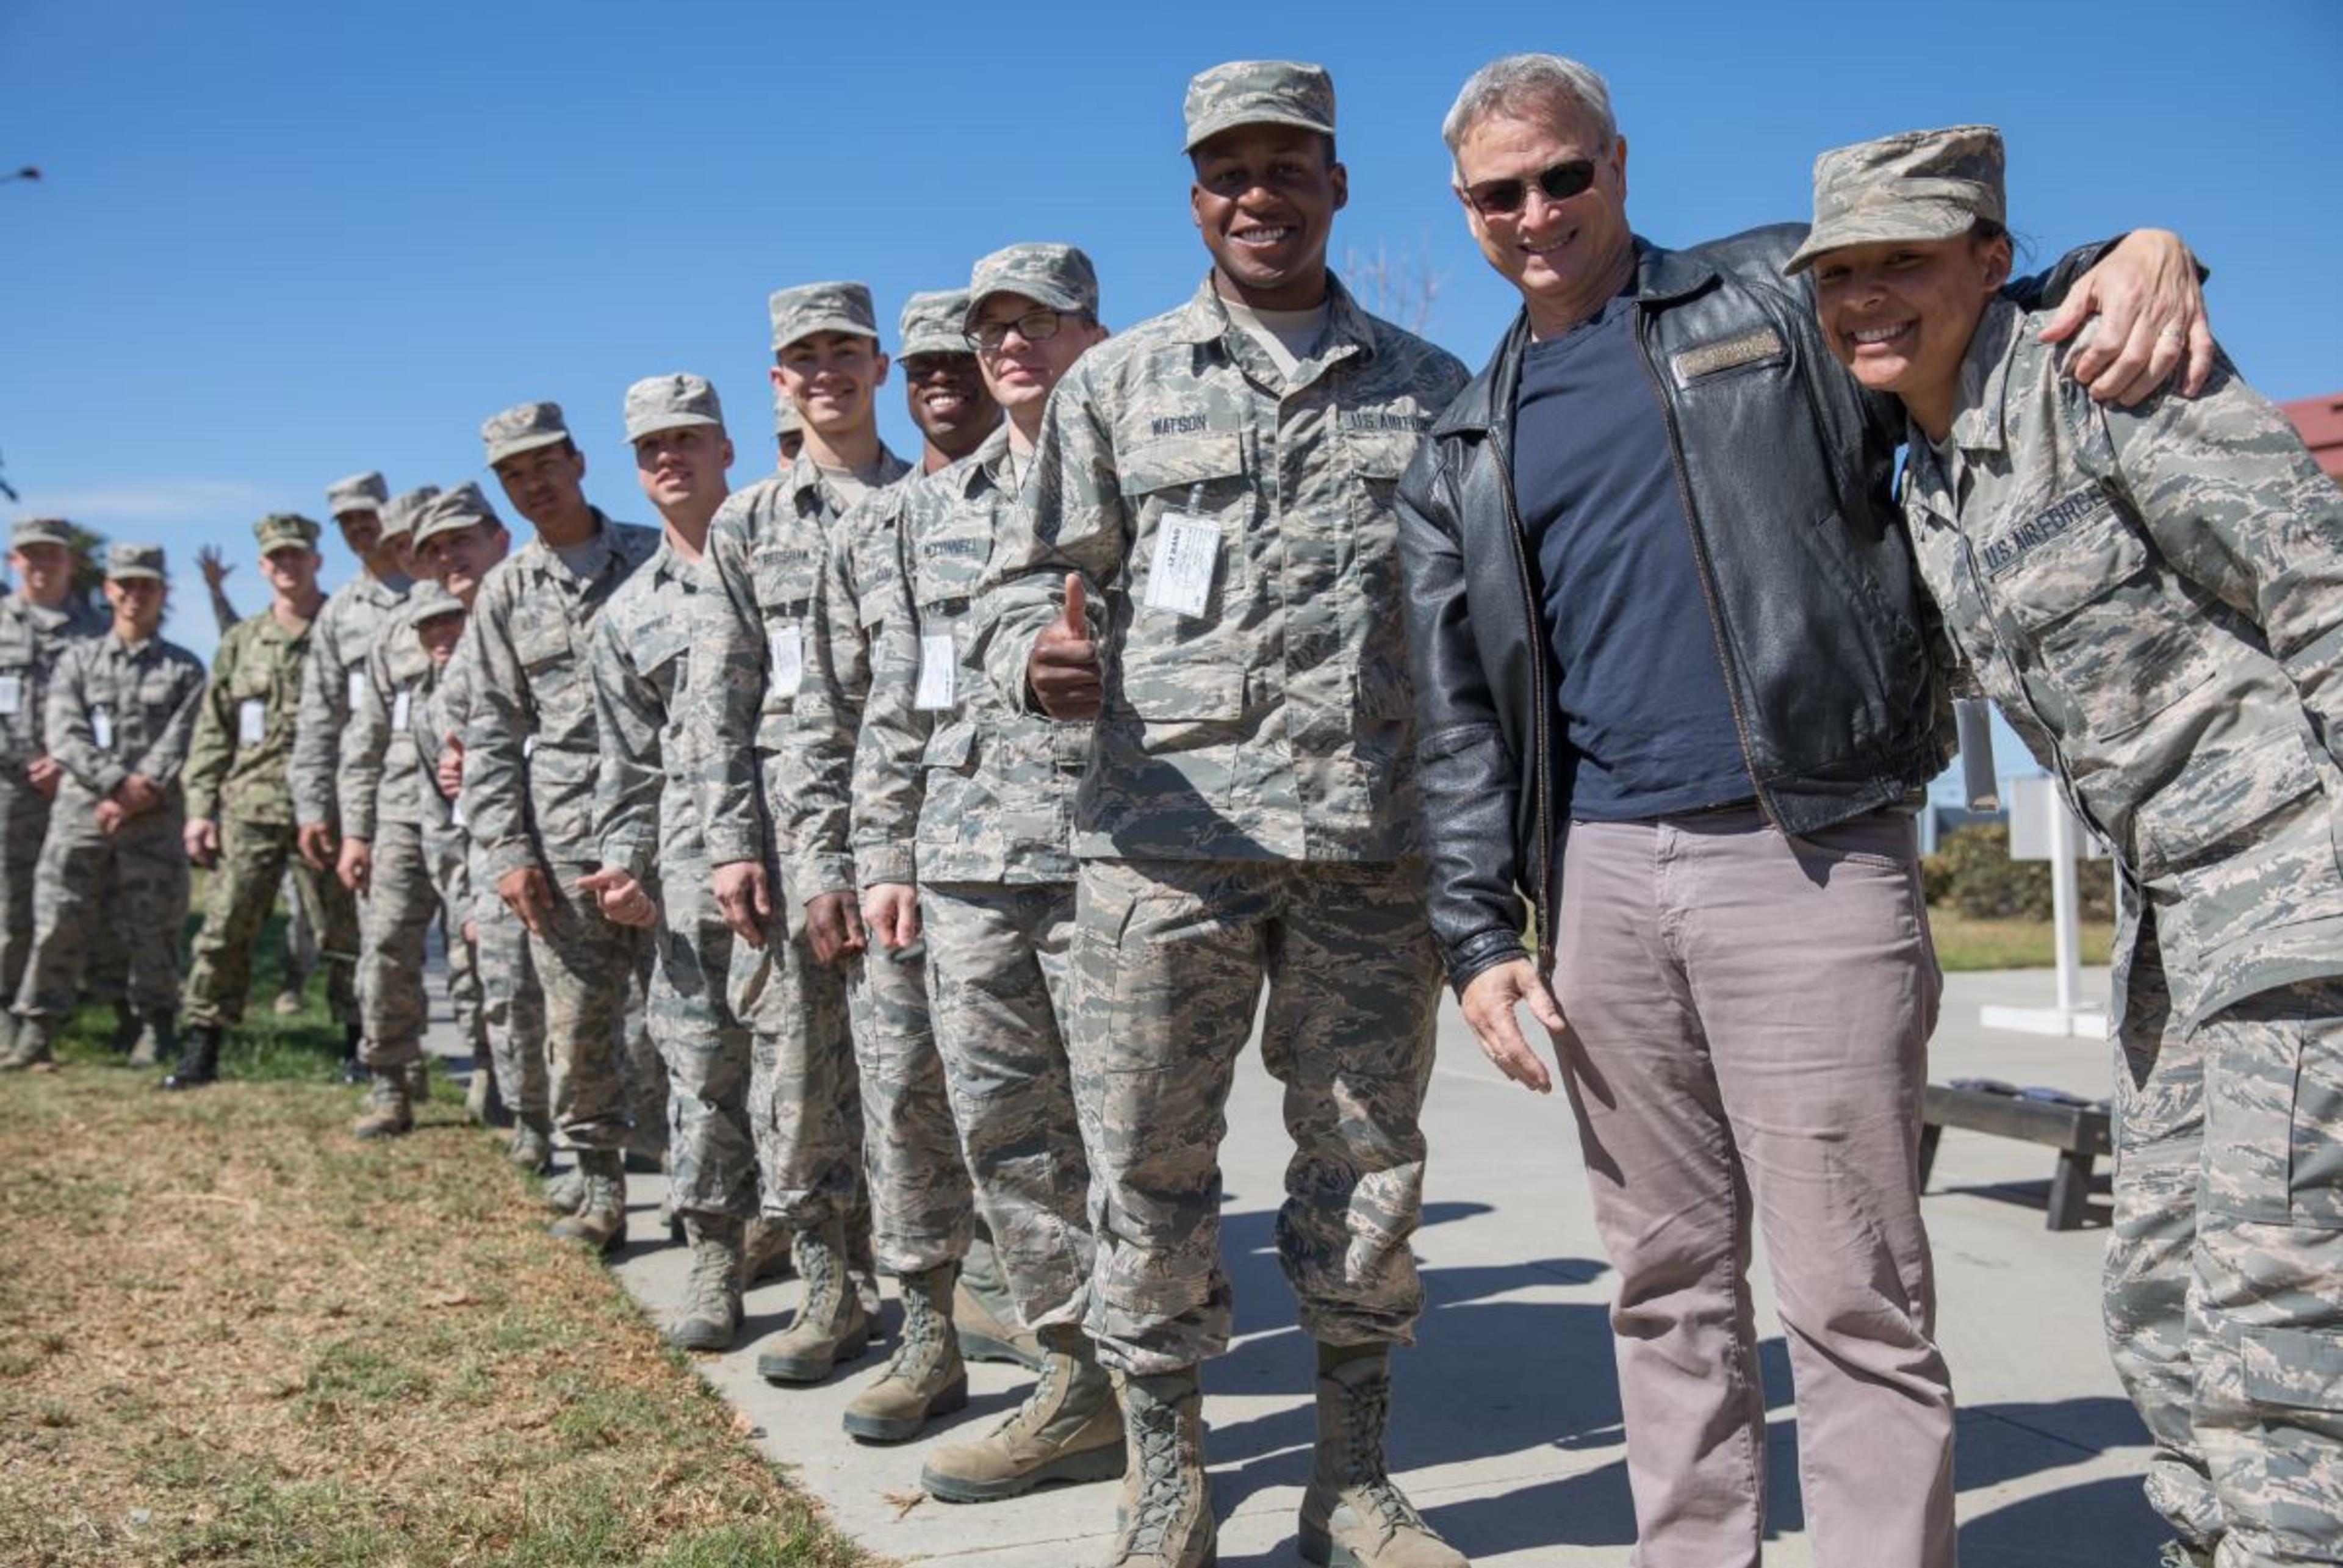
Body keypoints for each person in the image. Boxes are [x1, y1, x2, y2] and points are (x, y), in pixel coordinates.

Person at [1395, 52, 2212, 1568]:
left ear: (1617, 165)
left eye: (1560, 176)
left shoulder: (1772, 295)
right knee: (1662, 1283)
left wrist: (2131, 254)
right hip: (1596, 892)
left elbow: (1981, 304)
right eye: (1499, 194)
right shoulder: (1461, 438)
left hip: (1811, 853)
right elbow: (1451, 718)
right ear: (1461, 210)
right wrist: (1474, 934)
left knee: (1850, 1291)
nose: (1535, 212)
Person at [1788, 124, 2343, 1568]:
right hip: (2173, 922)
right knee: (2157, 1305)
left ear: (1989, 263)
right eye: (1837, 271)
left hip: (2293, 896)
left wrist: (2146, 246)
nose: (1862, 296)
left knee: (2278, 1331)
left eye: (1899, 262)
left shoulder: (2108, 385)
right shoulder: (1923, 479)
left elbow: (2319, 595)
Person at [971, 63, 1469, 1568]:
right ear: (1194, 199)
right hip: (1159, 848)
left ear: (1334, 184)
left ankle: (1353, 1481)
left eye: (1285, 166)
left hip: (1367, 854)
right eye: (1225, 173)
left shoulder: (1433, 390)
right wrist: (1031, 659)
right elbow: (1017, 587)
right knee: (1146, 1165)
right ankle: (1163, 1476)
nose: (1256, 194)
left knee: (1368, 1164)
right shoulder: (1115, 387)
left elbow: (1480, 628)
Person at [854, 244, 1126, 1491]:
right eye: (994, 328)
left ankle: (1150, 1375)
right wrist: (886, 850)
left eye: (1041, 321)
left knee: (1132, 1135)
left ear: (1090, 329)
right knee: (1007, 1136)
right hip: (967, 861)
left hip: (1115, 852)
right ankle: (1072, 1383)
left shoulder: (1147, 467)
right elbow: (895, 703)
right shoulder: (928, 511)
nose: (1014, 345)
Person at [779, 286, 1012, 1440]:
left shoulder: (1076, 488)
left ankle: (1056, 1336)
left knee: (1067, 1126)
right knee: (907, 1103)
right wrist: (847, 857)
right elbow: (842, 711)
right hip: (916, 868)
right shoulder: (881, 531)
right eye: (923, 369)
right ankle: (926, 1333)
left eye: (958, 363)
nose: (941, 385)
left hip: (1066, 870)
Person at [690, 281, 908, 1387]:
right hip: (785, 840)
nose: (825, 373)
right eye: (802, 360)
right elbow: (715, 703)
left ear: (880, 368)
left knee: (914, 1069)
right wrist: (731, 843)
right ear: (779, 384)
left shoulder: (924, 499)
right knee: (803, 1067)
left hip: (908, 832)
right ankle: (829, 1286)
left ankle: (938, 1291)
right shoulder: (748, 526)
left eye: (844, 354)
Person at [578, 372, 755, 1345]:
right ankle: (715, 1261)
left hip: (800, 858)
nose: (670, 459)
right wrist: (624, 865)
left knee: (825, 1077)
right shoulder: (626, 615)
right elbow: (627, 761)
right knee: (701, 1075)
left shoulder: (782, 558)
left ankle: (839, 1260)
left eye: (688, 440)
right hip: (689, 880)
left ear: (728, 449)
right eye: (651, 449)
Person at [462, 401, 660, 1253]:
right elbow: (491, 729)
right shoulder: (505, 591)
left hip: (658, 831)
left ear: (579, 462)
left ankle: (702, 1183)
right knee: (578, 1025)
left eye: (543, 463)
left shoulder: (654, 556)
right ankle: (600, 1186)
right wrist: (506, 850)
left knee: (681, 1024)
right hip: (561, 841)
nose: (531, 484)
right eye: (512, 475)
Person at [7, 545, 203, 1073]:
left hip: (153, 818)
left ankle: (155, 1027)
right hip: (82, 812)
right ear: (109, 591)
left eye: (147, 586)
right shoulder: (78, 660)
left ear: (162, 594)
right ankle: (37, 1028)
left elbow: (184, 736)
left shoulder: (184, 667)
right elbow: (64, 734)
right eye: (125, 586)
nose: (135, 596)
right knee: (58, 920)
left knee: (153, 926)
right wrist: (115, 785)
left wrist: (140, 792)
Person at [171, 515, 335, 1090]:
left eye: (297, 555)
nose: (287, 566)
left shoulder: (341, 629)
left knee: (345, 934)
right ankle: (202, 1044)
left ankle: (363, 1045)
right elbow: (212, 731)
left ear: (317, 560)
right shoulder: (242, 642)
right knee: (225, 926)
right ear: (264, 566)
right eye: (276, 558)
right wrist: (198, 810)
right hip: (251, 810)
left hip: (329, 811)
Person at [411, 483, 546, 1169]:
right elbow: (444, 804)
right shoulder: (446, 666)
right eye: (436, 551)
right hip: (495, 854)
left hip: (568, 836)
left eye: (461, 539)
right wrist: (463, 890)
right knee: (509, 1000)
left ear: (500, 536)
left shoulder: (545, 605)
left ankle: (623, 1141)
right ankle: (533, 1127)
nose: (450, 557)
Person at [339, 484, 466, 1138]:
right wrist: (355, 831)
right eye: (411, 546)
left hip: (479, 819)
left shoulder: (491, 609)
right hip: (398, 815)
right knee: (385, 948)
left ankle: (504, 1086)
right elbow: (364, 738)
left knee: (480, 959)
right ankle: (390, 1082)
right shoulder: (394, 631)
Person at [290, 470, 396, 1081]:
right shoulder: (341, 613)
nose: (361, 528)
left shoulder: (433, 584)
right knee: (374, 934)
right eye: (348, 521)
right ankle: (376, 1053)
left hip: (448, 785)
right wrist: (313, 805)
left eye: (367, 515)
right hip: (367, 791)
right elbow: (317, 716)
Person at [0, 519, 108, 1070]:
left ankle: (58, 1016)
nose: (42, 564)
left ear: (70, 563)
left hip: (76, 787)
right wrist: (21, 763)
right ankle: (7, 1018)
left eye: (53, 555)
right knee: (9, 905)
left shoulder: (95, 630)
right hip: (6, 788)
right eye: (30, 555)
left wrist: (65, 762)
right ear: (14, 561)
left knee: (70, 905)